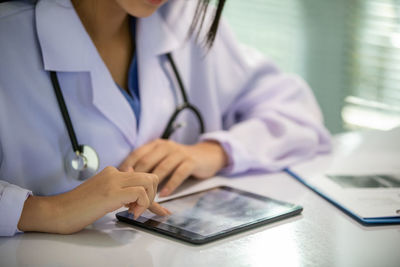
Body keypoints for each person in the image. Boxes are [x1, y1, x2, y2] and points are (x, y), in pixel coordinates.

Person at [0, 0, 331, 237]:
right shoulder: (8, 37)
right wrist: (45, 212)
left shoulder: (186, 17)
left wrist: (213, 151)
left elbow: (298, 114)